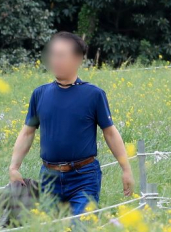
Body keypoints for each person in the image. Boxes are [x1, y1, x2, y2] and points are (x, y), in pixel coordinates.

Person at [8, 32, 134, 217]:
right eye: (53, 55)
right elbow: (27, 132)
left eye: (61, 55)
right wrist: (13, 167)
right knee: (52, 231)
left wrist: (126, 169)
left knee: (80, 228)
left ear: (77, 59)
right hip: (49, 178)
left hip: (84, 178)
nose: (55, 60)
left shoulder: (94, 95)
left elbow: (110, 133)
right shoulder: (40, 94)